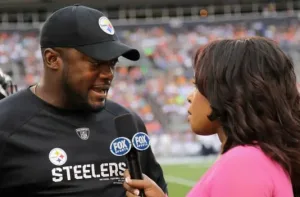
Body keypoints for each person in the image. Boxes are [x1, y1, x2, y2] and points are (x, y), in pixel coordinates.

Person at [0, 4, 167, 197]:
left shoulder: (127, 123)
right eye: (96, 63)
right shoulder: (6, 124)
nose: (109, 74)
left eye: (112, 63)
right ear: (52, 59)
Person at [123, 37, 300, 197]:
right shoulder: (256, 156)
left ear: (227, 94)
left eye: (198, 87)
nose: (190, 96)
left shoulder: (243, 163)